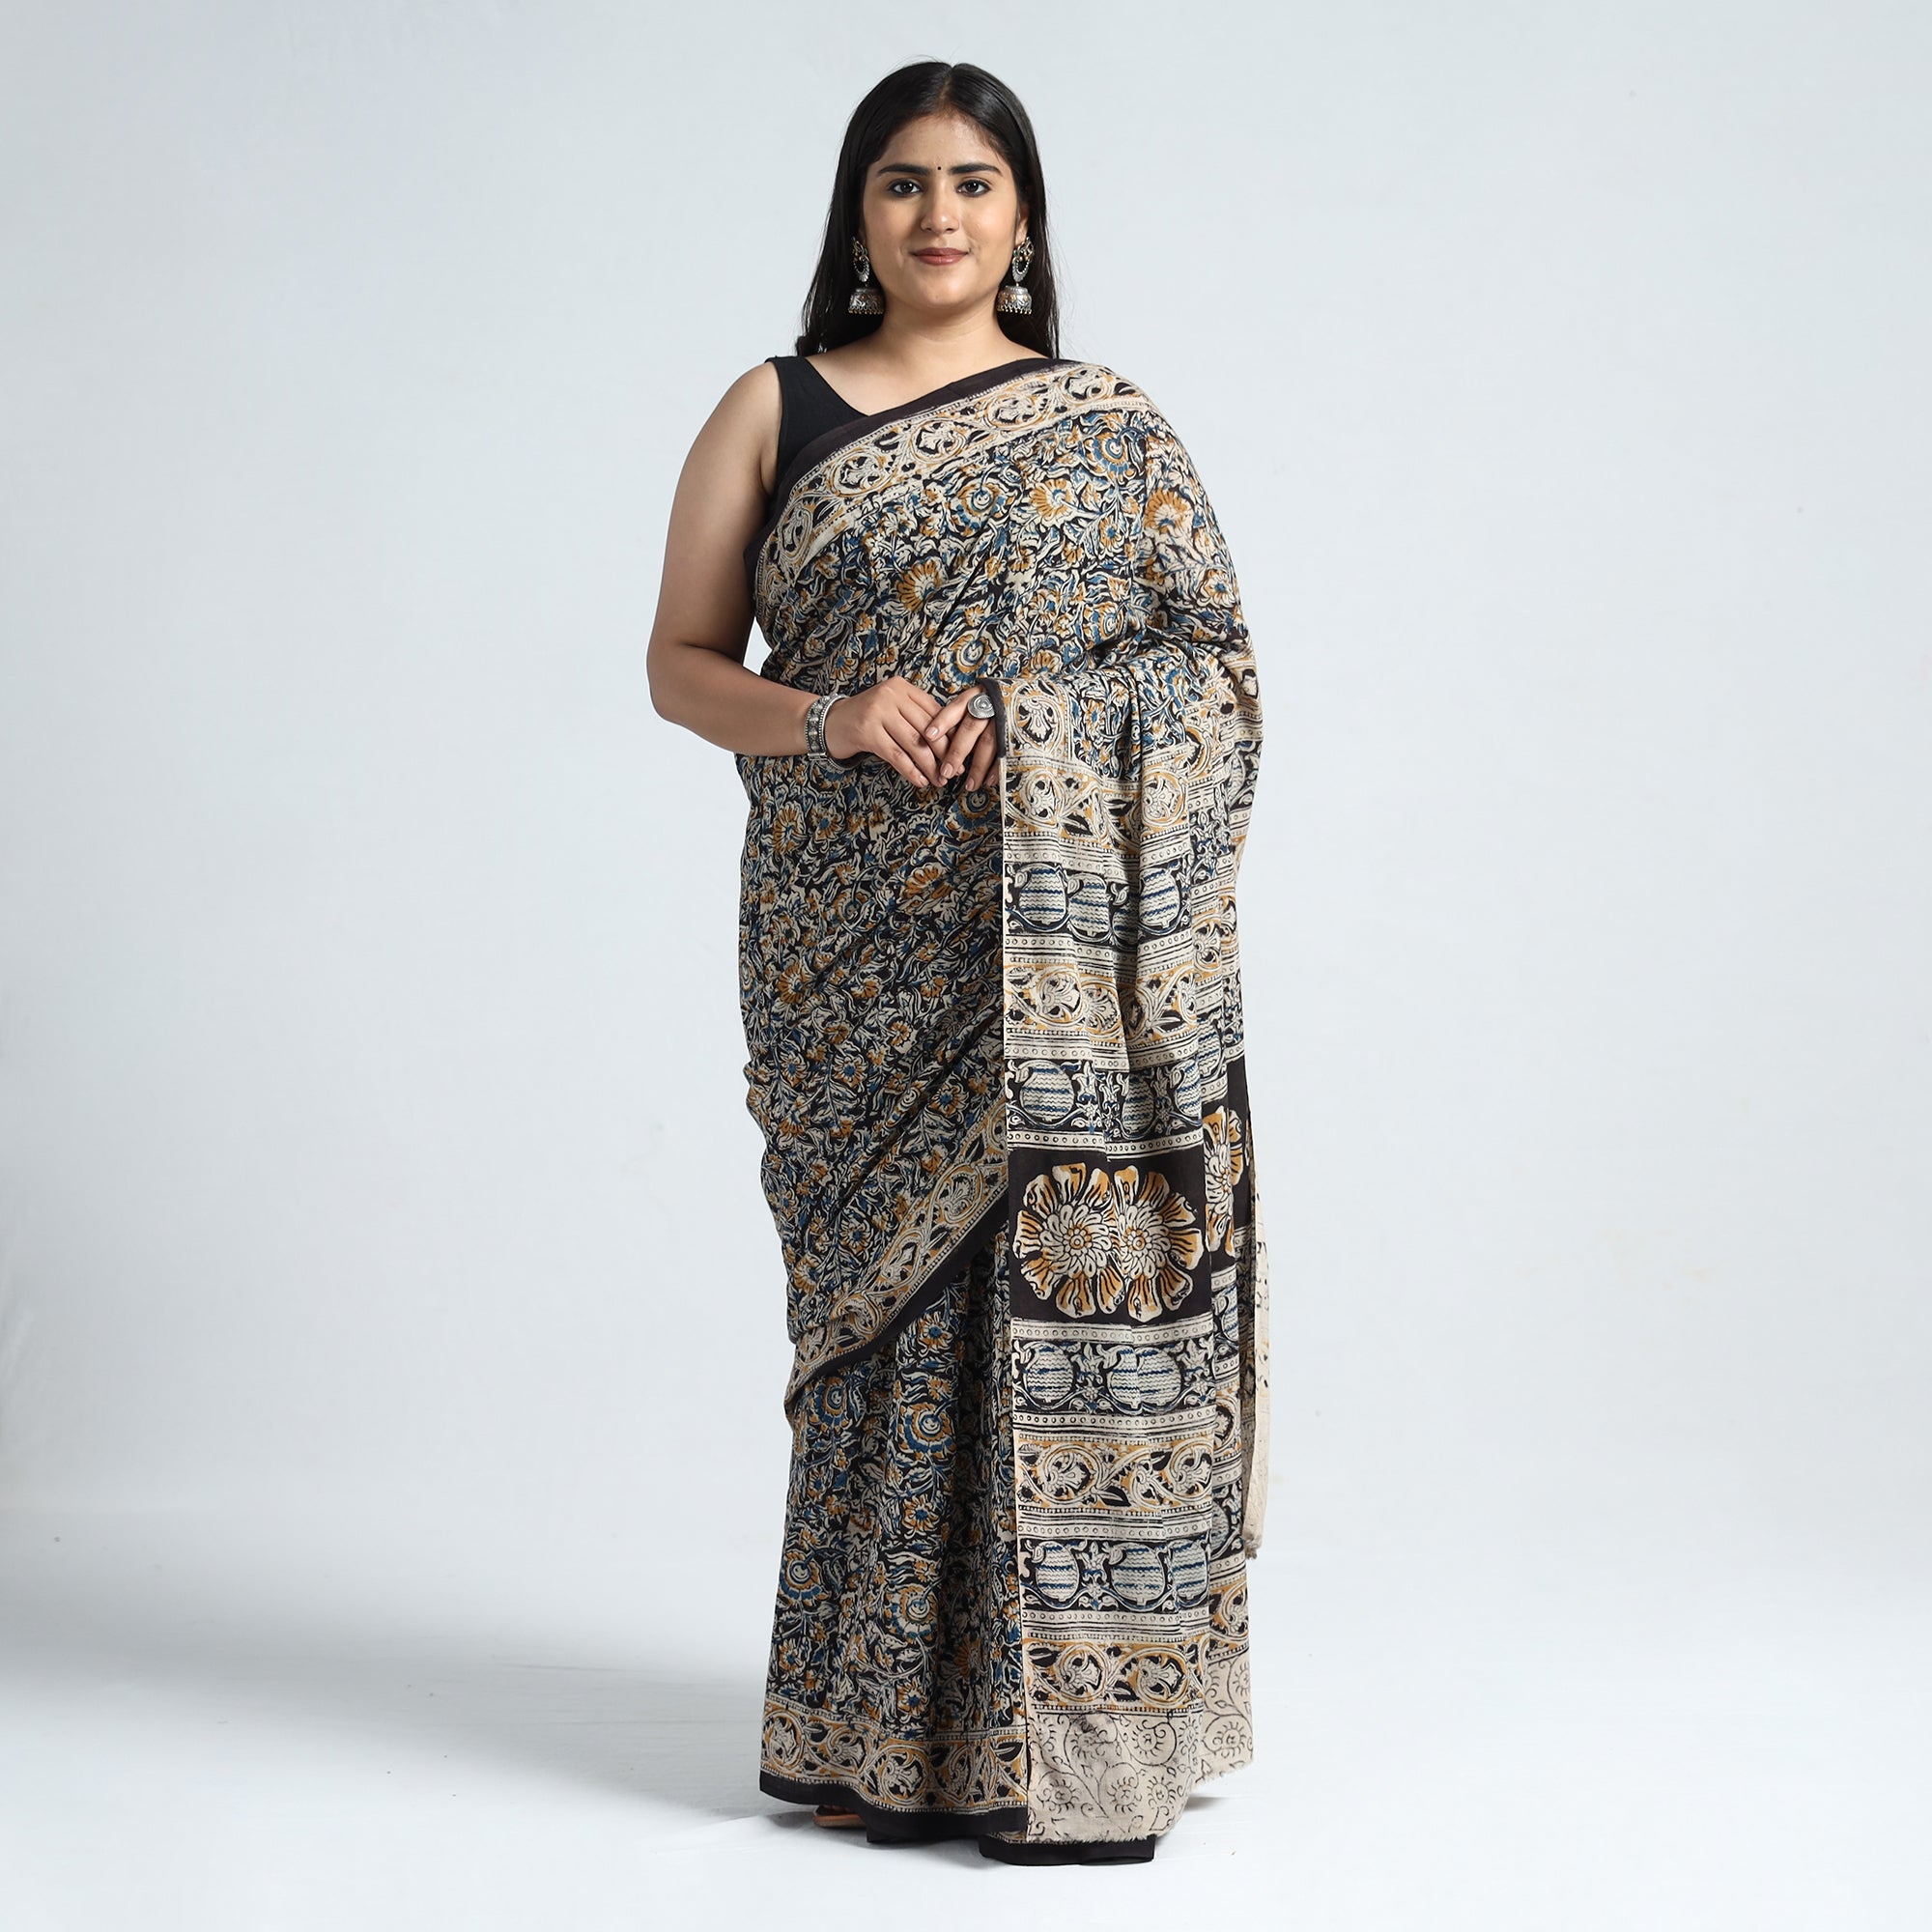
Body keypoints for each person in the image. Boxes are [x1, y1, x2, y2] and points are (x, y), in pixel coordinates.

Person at [646, 59, 1269, 1865]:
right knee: (883, 1330)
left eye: (975, 182)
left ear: (1025, 216)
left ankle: (1066, 1749)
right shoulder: (773, 407)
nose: (939, 215)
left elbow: (1220, 677)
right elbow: (681, 665)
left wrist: (1055, 730)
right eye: (904, 182)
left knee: (1053, 1301)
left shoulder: (1111, 427)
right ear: (858, 213)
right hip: (855, 950)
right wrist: (833, 713)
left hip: (1074, 965)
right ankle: (878, 1732)